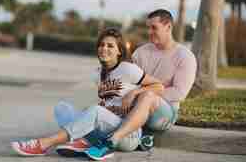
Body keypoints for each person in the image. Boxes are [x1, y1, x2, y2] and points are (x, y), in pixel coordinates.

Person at [58, 9, 197, 157]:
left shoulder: (185, 56)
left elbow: (179, 93)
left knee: (148, 96)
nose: (149, 32)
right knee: (85, 111)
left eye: (154, 28)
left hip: (164, 113)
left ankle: (110, 141)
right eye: (148, 27)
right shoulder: (141, 52)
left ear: (168, 27)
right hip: (135, 110)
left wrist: (138, 94)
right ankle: (91, 139)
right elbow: (126, 81)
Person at [11, 28, 164, 160]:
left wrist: (135, 93)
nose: (104, 48)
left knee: (95, 111)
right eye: (102, 45)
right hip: (106, 127)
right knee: (62, 108)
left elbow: (158, 85)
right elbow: (108, 102)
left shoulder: (127, 69)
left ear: (119, 51)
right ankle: (86, 142)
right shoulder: (98, 74)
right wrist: (90, 113)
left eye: (110, 46)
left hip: (127, 134)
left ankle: (43, 144)